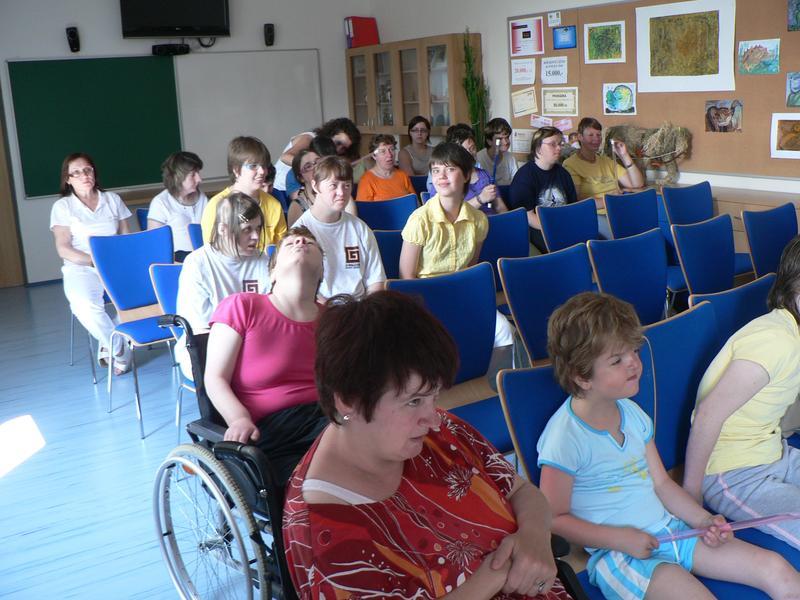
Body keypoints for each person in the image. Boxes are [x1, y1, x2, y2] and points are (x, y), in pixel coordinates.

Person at [283, 291, 570, 599]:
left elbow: (521, 491)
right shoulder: (325, 531)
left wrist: (534, 535)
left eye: (434, 396)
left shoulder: (440, 430)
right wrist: (500, 572)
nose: (433, 419)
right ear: (348, 401)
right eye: (414, 401)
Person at [538, 292, 800, 600]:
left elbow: (662, 484)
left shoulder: (632, 413)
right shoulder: (564, 438)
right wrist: (621, 539)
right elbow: (554, 518)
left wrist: (702, 520)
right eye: (617, 360)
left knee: (775, 568)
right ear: (582, 377)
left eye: (633, 351)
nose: (634, 363)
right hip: (621, 555)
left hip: (673, 530)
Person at [684, 235, 800, 550]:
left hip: (773, 453)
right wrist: (691, 498)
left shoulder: (792, 333)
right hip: (733, 472)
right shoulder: (776, 341)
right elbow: (708, 414)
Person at [204, 226, 328, 484]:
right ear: (272, 272)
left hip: (328, 417)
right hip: (273, 431)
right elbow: (215, 378)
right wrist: (238, 419)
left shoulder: (333, 319)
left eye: (310, 243)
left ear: (321, 272)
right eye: (290, 243)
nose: (301, 241)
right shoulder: (243, 306)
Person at [400, 142, 514, 348]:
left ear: (467, 175)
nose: (441, 177)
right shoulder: (420, 219)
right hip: (427, 298)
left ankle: (489, 370)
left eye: (450, 169)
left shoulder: (478, 220)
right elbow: (407, 277)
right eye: (436, 170)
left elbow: (470, 267)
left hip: (461, 293)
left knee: (504, 330)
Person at [50, 152, 132, 375]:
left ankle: (109, 340)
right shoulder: (63, 206)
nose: (84, 175)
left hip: (115, 264)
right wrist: (95, 261)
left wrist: (119, 262)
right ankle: (119, 348)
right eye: (76, 173)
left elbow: (126, 238)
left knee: (144, 297)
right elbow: (63, 248)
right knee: (83, 305)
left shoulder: (112, 199)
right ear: (68, 179)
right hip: (81, 267)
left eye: (87, 170)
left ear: (94, 172)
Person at [175, 193, 270, 378]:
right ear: (223, 229)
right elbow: (200, 331)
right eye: (247, 229)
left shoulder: (262, 260)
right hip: (208, 348)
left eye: (258, 228)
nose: (256, 236)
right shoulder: (197, 264)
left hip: (255, 343)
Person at [293, 156, 385, 299]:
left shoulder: (360, 228)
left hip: (359, 306)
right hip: (320, 308)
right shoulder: (300, 232)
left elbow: (376, 282)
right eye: (333, 185)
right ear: (316, 186)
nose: (341, 193)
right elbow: (301, 287)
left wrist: (367, 309)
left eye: (347, 185)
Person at [563, 118, 644, 240]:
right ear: (580, 137)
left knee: (644, 231)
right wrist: (609, 200)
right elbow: (577, 199)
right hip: (595, 215)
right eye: (591, 135)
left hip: (618, 210)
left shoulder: (606, 161)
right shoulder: (570, 164)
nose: (596, 139)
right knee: (621, 238)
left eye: (598, 135)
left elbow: (637, 184)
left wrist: (624, 155)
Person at [200, 136, 286, 247]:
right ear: (236, 170)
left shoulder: (274, 205)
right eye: (253, 166)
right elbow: (213, 252)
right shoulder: (216, 206)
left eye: (264, 166)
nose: (262, 171)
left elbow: (281, 249)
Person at [509, 127, 577, 253]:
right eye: (553, 144)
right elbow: (527, 215)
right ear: (538, 148)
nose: (559, 148)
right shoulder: (525, 176)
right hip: (538, 229)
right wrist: (554, 228)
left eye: (560, 144)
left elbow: (572, 206)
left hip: (562, 226)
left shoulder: (563, 174)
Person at [425, 123, 508, 215]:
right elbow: (447, 213)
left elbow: (500, 207)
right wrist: (480, 199)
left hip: (491, 221)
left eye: (472, 148)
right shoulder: (444, 181)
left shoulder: (485, 175)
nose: (470, 153)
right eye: (464, 150)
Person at [147, 151, 208, 262]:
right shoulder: (161, 203)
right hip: (177, 261)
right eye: (193, 175)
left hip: (203, 256)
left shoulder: (202, 198)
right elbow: (155, 245)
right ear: (178, 177)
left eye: (198, 173)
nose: (199, 179)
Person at [274, 117, 362, 192]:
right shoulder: (309, 138)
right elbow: (285, 157)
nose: (338, 149)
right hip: (281, 188)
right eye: (338, 143)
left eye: (344, 148)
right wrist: (316, 167)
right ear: (330, 134)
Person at [287, 143, 356, 227]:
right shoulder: (297, 206)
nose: (315, 167)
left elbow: (352, 227)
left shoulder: (342, 195)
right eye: (308, 166)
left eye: (318, 162)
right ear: (301, 177)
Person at [355, 134, 415, 201]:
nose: (389, 155)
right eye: (383, 151)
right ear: (374, 156)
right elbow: (363, 207)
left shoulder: (403, 175)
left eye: (392, 149)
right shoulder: (366, 180)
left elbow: (415, 202)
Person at [476, 117, 518, 186]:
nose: (505, 142)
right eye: (500, 139)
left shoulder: (511, 159)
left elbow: (516, 184)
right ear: (489, 141)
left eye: (507, 137)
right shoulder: (478, 159)